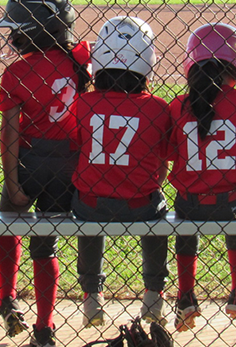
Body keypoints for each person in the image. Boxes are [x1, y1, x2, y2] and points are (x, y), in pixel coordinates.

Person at [0, 0, 91, 347]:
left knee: (9, 222)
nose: (12, 36)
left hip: (29, 161)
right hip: (68, 164)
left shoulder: (16, 71)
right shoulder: (80, 63)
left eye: (17, 29)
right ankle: (45, 326)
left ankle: (7, 298)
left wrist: (13, 180)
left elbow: (11, 132)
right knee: (45, 243)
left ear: (35, 31)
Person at [69, 17, 171, 329]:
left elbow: (77, 148)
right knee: (160, 213)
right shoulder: (158, 107)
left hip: (91, 202)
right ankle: (154, 293)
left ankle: (91, 295)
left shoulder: (83, 103)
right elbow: (163, 163)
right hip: (140, 205)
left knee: (88, 215)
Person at [168, 23, 236, 332]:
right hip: (232, 204)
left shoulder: (178, 106)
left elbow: (173, 156)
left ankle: (186, 296)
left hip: (189, 204)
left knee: (185, 228)